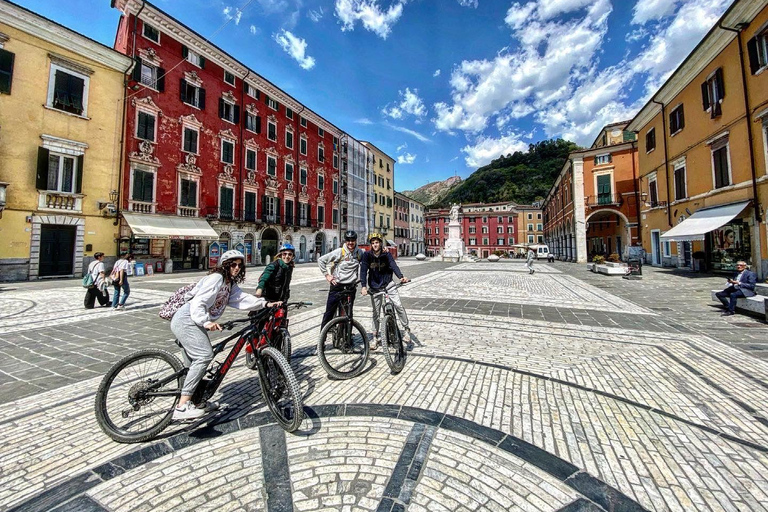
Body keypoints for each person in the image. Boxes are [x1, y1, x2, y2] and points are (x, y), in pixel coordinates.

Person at [170, 250, 281, 421]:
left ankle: (198, 401)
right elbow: (199, 302)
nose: (237, 268)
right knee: (204, 355)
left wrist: (265, 303)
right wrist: (206, 322)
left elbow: (242, 299)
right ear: (226, 265)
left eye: (239, 265)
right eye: (233, 264)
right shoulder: (217, 278)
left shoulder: (229, 284)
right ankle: (182, 407)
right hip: (187, 319)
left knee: (197, 363)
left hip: (193, 320)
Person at [360, 232, 410, 350]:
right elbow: (363, 271)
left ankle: (406, 329)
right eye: (372, 243)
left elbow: (393, 265)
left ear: (381, 243)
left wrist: (401, 276)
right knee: (376, 313)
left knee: (398, 305)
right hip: (375, 287)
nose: (375, 245)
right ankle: (375, 337)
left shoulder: (386, 254)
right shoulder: (367, 255)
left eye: (377, 242)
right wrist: (363, 286)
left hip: (388, 284)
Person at [318, 230, 364, 329]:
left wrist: (383, 249)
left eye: (352, 240)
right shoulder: (339, 252)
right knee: (329, 312)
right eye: (348, 240)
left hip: (351, 286)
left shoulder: (360, 253)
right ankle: (322, 339)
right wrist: (327, 276)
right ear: (345, 241)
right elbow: (321, 260)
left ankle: (347, 337)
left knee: (349, 313)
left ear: (355, 241)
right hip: (337, 286)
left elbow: (370, 258)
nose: (350, 243)